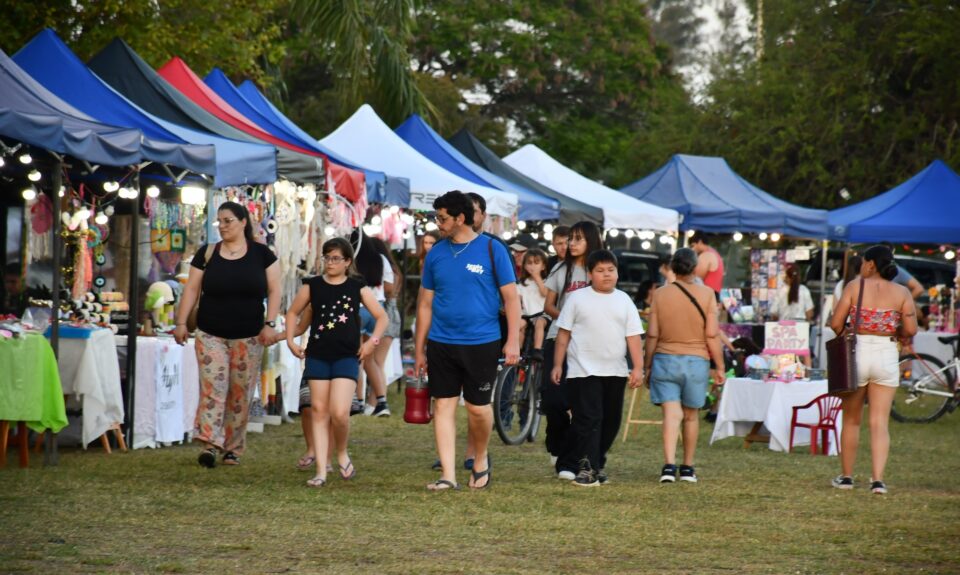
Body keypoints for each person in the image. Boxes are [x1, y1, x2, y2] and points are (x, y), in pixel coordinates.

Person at [415, 191, 520, 491]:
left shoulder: (492, 249)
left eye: (443, 218)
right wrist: (420, 348)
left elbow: (512, 299)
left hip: (482, 341)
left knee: (478, 408)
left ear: (460, 218)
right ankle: (448, 474)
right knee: (444, 406)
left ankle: (481, 455)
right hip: (441, 342)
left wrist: (512, 341)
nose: (438, 223)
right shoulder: (435, 253)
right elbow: (425, 305)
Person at [174, 201, 280, 468]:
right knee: (213, 388)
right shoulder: (208, 253)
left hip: (249, 335)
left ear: (244, 222)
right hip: (211, 333)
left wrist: (270, 323)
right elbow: (191, 290)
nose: (222, 226)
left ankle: (233, 447)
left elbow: (275, 290)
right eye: (219, 221)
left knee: (239, 392)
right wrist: (181, 323)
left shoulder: (263, 254)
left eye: (228, 221)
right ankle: (210, 443)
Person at [285, 237, 388, 487]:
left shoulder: (357, 286)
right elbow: (292, 313)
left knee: (340, 413)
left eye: (335, 258)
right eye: (327, 257)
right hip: (318, 355)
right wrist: (289, 340)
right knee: (319, 411)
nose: (330, 263)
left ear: (347, 262)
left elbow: (381, 316)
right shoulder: (312, 286)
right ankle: (321, 470)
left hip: (347, 356)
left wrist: (370, 342)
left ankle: (341, 452)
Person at [551, 250, 644, 486]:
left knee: (610, 421)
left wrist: (638, 368)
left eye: (611, 270)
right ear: (590, 274)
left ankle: (591, 462)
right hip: (583, 370)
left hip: (615, 370)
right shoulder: (577, 298)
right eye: (600, 271)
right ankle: (589, 470)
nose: (606, 275)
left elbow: (633, 337)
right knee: (590, 419)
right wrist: (557, 364)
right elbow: (563, 334)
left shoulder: (624, 300)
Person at [829, 245, 917, 495]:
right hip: (886, 353)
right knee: (879, 423)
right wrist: (892, 331)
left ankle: (846, 477)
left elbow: (836, 323)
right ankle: (877, 480)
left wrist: (848, 333)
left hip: (857, 352)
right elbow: (911, 330)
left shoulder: (854, 287)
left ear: (870, 265)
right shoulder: (901, 292)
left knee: (852, 420)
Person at [644, 248, 725, 483]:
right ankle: (687, 467)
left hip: (665, 359)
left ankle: (668, 466)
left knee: (671, 415)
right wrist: (719, 366)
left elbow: (652, 335)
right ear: (694, 267)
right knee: (691, 416)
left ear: (673, 267)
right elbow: (712, 335)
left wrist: (648, 365)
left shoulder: (660, 294)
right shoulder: (708, 294)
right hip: (696, 361)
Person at [542, 221, 604, 480]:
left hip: (588, 343)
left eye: (578, 239)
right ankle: (557, 445)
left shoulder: (599, 271)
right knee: (553, 400)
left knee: (582, 406)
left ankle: (570, 459)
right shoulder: (561, 268)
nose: (572, 244)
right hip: (558, 338)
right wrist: (568, 320)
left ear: (590, 240)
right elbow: (549, 305)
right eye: (570, 239)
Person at [352, 231, 393, 417]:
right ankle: (382, 402)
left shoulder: (350, 258)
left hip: (358, 308)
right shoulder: (381, 259)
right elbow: (390, 286)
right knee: (370, 359)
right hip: (378, 310)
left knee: (358, 357)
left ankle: (359, 401)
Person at [516, 247, 550, 358]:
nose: (533, 266)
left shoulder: (546, 281)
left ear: (543, 266)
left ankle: (537, 349)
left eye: (536, 263)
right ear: (525, 266)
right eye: (529, 263)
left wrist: (536, 277)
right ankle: (518, 351)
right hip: (526, 315)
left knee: (539, 323)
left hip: (541, 314)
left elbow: (545, 293)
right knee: (519, 325)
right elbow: (517, 299)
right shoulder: (522, 283)